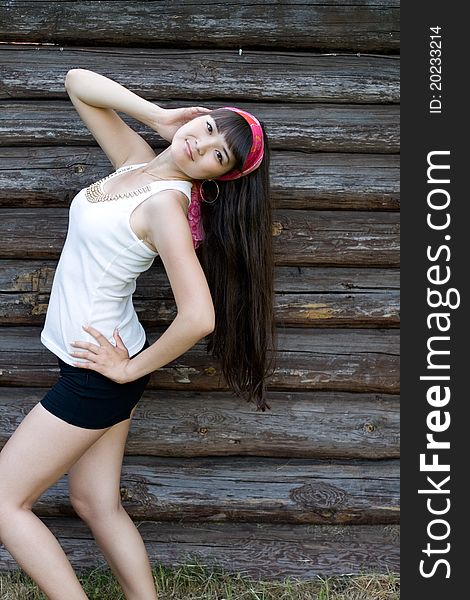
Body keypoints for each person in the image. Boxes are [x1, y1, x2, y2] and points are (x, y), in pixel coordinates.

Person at [0, 69, 276, 599]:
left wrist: (127, 369)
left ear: (220, 178)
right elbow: (77, 82)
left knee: (6, 503)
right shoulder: (135, 163)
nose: (205, 144)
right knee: (95, 503)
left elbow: (199, 317)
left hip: (97, 373)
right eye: (212, 128)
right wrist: (157, 115)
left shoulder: (165, 205)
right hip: (95, 360)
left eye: (220, 155)